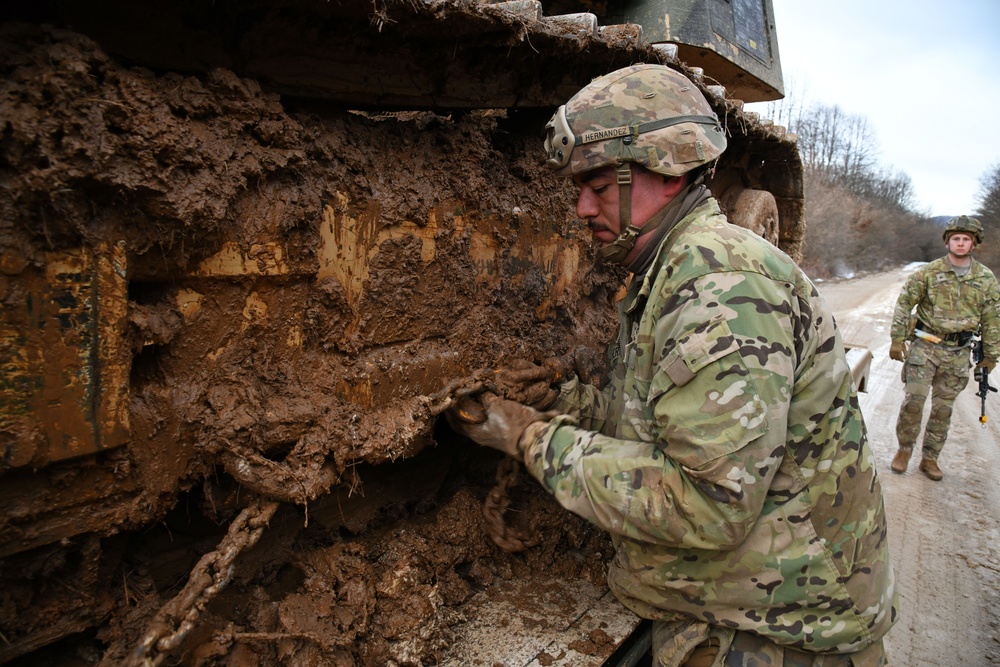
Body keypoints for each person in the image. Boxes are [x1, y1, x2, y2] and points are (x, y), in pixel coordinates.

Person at [446, 64, 897, 666]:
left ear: (666, 171)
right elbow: (659, 426)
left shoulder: (721, 287)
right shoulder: (674, 267)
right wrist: (564, 402)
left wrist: (529, 438)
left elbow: (708, 503)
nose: (581, 208)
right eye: (580, 187)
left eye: (600, 186)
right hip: (745, 608)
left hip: (778, 634)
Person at [888, 215, 1000, 480]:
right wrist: (897, 338)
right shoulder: (928, 273)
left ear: (973, 244)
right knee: (913, 401)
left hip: (958, 353)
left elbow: (992, 318)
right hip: (925, 347)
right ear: (947, 242)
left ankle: (930, 459)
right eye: (955, 239)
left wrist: (992, 354)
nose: (960, 244)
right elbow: (905, 303)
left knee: (943, 409)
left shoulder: (985, 279)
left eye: (965, 240)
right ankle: (904, 450)